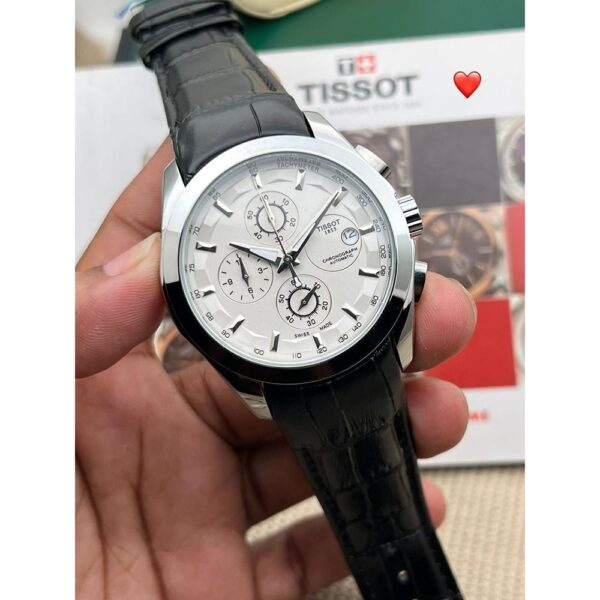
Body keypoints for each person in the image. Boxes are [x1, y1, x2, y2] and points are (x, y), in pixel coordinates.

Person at [76, 140, 476, 599]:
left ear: (400, 217)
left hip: (353, 348)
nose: (287, 262)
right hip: (293, 372)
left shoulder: (318, 150)